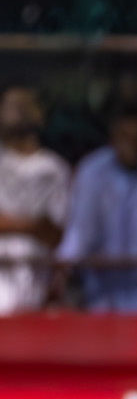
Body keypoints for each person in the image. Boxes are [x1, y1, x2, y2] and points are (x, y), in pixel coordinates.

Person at [56, 104, 137, 312]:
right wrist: (65, 266)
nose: (132, 144)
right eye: (125, 136)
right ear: (114, 136)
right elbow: (81, 231)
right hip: (99, 295)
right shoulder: (92, 171)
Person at [0, 88, 69, 314]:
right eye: (10, 105)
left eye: (24, 105)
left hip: (36, 279)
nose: (18, 111)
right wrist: (33, 225)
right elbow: (42, 226)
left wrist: (10, 223)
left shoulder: (55, 168)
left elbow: (55, 235)